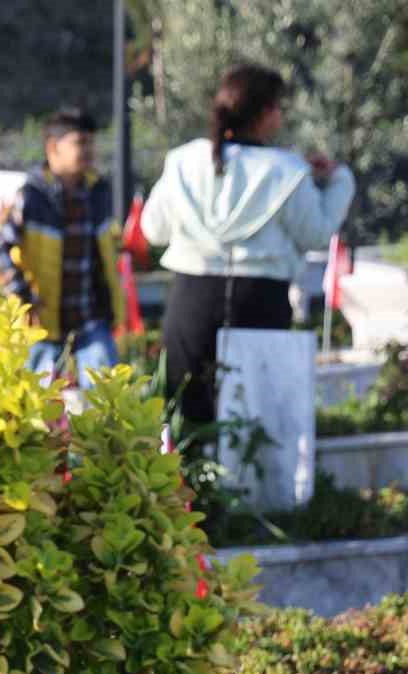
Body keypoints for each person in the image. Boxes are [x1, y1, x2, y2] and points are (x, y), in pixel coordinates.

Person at [141, 63, 354, 426]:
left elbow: (153, 230)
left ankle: (186, 485)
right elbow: (315, 234)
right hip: (261, 299)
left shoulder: (184, 161)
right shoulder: (285, 170)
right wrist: (340, 181)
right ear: (265, 113)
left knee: (186, 415)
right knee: (255, 417)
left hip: (191, 297)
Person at [0, 108, 126, 386]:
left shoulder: (99, 192)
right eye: (80, 143)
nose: (88, 150)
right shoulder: (31, 195)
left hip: (92, 319)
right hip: (42, 325)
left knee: (107, 402)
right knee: (33, 409)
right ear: (53, 147)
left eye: (91, 143)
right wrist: (24, 297)